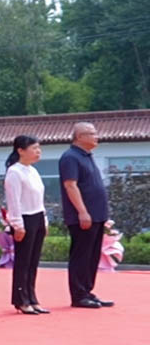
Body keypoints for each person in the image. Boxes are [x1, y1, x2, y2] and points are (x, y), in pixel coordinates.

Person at [59, 121, 113, 308]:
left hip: (96, 215)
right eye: (92, 133)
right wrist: (82, 211)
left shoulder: (87, 156)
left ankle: (87, 291)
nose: (96, 136)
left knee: (92, 256)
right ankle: (79, 295)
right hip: (83, 216)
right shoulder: (70, 157)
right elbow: (70, 185)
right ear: (79, 136)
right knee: (81, 255)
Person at [3, 135, 48, 315]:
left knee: (33, 261)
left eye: (39, 148)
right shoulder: (15, 172)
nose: (38, 152)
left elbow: (40, 199)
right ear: (20, 150)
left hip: (37, 217)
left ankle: (32, 297)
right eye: (34, 148)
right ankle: (21, 299)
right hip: (24, 219)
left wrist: (44, 220)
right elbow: (14, 201)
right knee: (23, 261)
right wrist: (17, 225)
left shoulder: (33, 171)